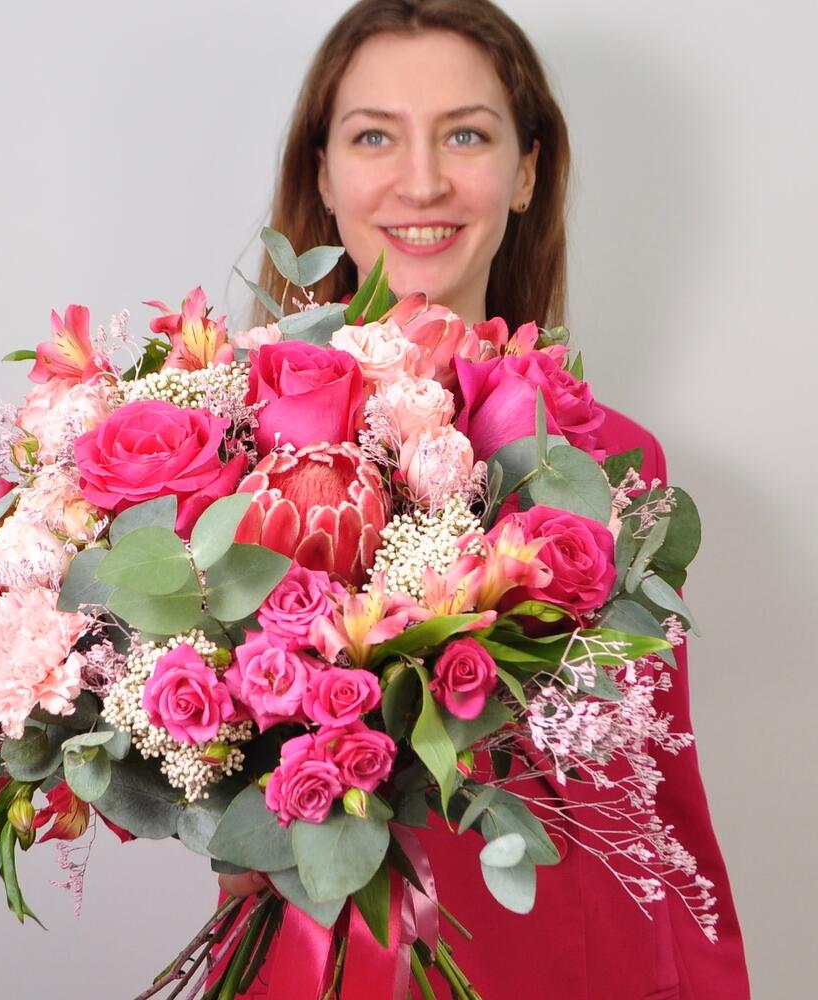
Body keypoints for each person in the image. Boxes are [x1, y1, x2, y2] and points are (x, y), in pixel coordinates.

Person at [223, 2, 751, 997]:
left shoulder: (619, 460)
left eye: (465, 135)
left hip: (573, 962)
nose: (422, 181)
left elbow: (659, 803)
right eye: (374, 136)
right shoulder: (230, 454)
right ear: (322, 175)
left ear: (527, 172)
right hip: (317, 964)